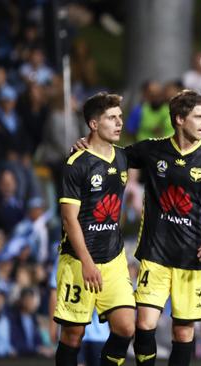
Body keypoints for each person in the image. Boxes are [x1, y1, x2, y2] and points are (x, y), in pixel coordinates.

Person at [76, 89, 201, 366]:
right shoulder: (153, 150)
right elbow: (113, 155)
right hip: (156, 254)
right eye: (199, 116)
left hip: (194, 258)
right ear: (179, 119)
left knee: (183, 330)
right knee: (144, 323)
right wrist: (88, 146)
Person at [55, 92, 135, 366]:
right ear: (93, 124)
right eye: (112, 118)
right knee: (72, 334)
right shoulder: (76, 164)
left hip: (113, 259)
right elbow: (69, 219)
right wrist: (88, 263)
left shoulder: (124, 157)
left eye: (120, 117)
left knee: (126, 328)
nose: (119, 123)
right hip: (79, 261)